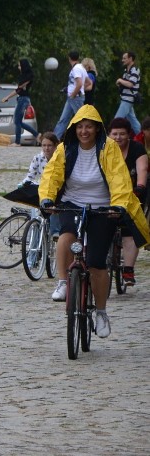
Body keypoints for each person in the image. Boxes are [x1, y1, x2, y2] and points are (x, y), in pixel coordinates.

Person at [39, 105, 149, 338]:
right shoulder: (65, 148)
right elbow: (52, 174)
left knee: (97, 262)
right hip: (72, 202)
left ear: (97, 128)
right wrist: (47, 198)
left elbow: (119, 178)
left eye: (89, 126)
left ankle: (101, 312)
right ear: (74, 128)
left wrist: (118, 205)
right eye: (80, 127)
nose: (84, 131)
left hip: (103, 207)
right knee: (66, 234)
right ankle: (62, 282)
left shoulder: (109, 148)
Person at [108, 117, 148, 286]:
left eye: (122, 134)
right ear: (109, 135)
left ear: (129, 135)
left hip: (133, 194)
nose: (118, 138)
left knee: (129, 230)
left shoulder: (137, 148)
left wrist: (140, 186)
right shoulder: (105, 149)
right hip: (109, 193)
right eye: (114, 134)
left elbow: (142, 169)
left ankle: (128, 270)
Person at [1, 58, 39, 146]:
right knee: (18, 121)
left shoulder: (29, 76)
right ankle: (36, 134)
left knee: (17, 121)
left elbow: (21, 86)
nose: (18, 67)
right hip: (21, 98)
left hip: (23, 99)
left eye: (19, 65)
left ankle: (18, 142)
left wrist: (22, 86)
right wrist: (7, 97)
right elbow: (18, 89)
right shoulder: (23, 76)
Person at [53, 50, 88, 140]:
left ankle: (90, 137)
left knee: (82, 119)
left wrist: (73, 94)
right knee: (63, 119)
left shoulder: (76, 69)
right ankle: (54, 139)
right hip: (74, 97)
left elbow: (79, 83)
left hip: (75, 97)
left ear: (69, 58)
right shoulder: (82, 67)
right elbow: (88, 82)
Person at [114, 51, 142, 136]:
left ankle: (109, 142)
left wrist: (120, 80)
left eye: (124, 58)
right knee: (134, 123)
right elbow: (125, 83)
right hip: (125, 98)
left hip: (128, 99)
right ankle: (144, 139)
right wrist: (121, 83)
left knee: (117, 120)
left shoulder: (135, 70)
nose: (123, 60)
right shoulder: (126, 70)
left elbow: (130, 84)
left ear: (130, 59)